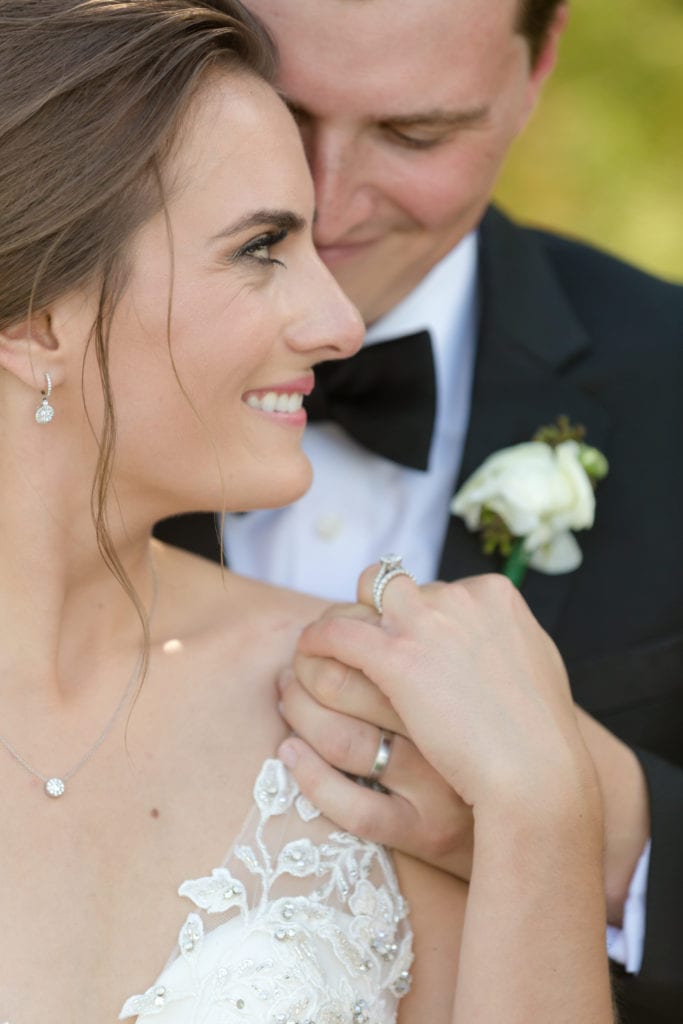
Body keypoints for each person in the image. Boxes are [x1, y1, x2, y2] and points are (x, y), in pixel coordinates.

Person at [0, 1, 617, 1022]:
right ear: (32, 326)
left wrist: (543, 812)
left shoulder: (354, 720)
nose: (340, 323)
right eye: (258, 248)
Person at [155, 2, 683, 1021]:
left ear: (539, 68)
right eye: (276, 107)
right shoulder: (54, 371)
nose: (322, 195)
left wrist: (605, 822)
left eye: (412, 134)